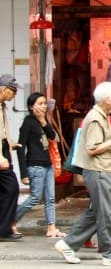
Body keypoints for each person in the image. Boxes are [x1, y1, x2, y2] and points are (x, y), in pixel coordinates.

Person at [55, 81, 111, 266]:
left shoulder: (102, 116)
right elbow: (92, 148)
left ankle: (67, 244)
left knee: (96, 213)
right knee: (106, 213)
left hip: (101, 169)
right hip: (97, 170)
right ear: (106, 99)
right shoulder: (95, 118)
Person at [14, 92, 63, 238]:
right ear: (31, 106)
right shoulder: (28, 122)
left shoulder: (44, 121)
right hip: (35, 166)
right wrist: (23, 173)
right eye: (39, 104)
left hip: (48, 165)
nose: (43, 106)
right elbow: (20, 148)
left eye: (44, 103)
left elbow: (54, 137)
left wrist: (43, 120)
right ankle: (11, 220)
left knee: (50, 198)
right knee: (35, 197)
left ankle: (51, 228)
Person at [0, 74, 22, 241]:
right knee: (11, 187)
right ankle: (3, 229)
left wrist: (10, 143)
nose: (14, 95)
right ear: (3, 90)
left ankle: (4, 228)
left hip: (4, 149)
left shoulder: (2, 106)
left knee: (6, 189)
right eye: (13, 91)